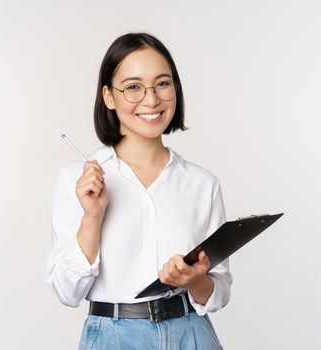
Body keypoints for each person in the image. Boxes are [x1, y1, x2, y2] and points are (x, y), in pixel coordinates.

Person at [45, 33, 229, 350]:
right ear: (109, 96)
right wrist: (92, 217)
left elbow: (220, 290)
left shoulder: (203, 184)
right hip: (113, 338)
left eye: (162, 83)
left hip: (193, 334)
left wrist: (193, 279)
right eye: (133, 87)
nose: (152, 99)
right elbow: (67, 292)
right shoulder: (77, 179)